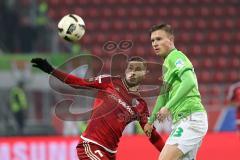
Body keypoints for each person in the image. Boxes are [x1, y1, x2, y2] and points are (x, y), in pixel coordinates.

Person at [31, 57, 164, 160]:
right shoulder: (109, 81)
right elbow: (79, 83)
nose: (133, 72)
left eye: (138, 69)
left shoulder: (140, 104)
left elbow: (152, 135)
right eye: (130, 68)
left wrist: (169, 153)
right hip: (91, 145)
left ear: (145, 73)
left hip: (110, 154)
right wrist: (52, 70)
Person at [144, 23, 208, 160]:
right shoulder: (166, 64)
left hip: (191, 119)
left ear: (171, 40)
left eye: (159, 39)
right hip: (182, 121)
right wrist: (151, 121)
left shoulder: (176, 56)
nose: (155, 43)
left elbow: (189, 82)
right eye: (152, 41)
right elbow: (163, 96)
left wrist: (168, 107)